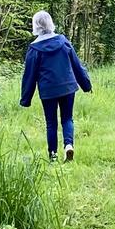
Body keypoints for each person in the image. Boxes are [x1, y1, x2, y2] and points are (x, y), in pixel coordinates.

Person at [20, 11, 93, 162]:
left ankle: (53, 156)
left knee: (51, 123)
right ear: (50, 23)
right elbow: (76, 65)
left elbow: (29, 75)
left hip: (48, 90)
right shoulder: (63, 41)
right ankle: (68, 145)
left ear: (36, 26)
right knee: (67, 118)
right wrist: (86, 84)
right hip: (68, 87)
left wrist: (25, 99)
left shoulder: (34, 49)